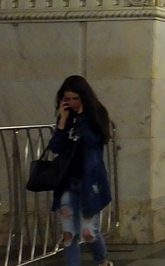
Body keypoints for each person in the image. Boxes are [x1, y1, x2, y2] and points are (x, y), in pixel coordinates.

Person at [47, 75, 114, 266]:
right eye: (67, 99)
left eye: (76, 98)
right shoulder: (66, 117)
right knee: (69, 234)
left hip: (90, 182)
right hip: (68, 182)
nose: (72, 103)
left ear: (84, 97)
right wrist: (62, 122)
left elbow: (94, 141)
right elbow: (55, 147)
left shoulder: (96, 113)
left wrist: (82, 118)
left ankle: (102, 261)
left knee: (89, 232)